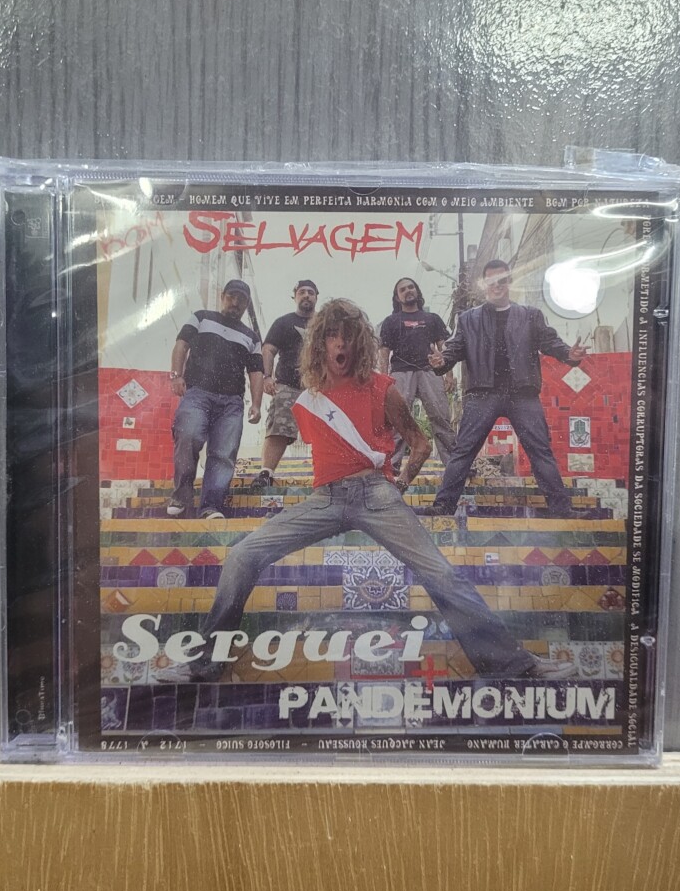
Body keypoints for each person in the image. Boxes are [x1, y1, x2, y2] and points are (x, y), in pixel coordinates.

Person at [156, 299, 576, 681]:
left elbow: (420, 443)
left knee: (442, 574)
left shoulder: (382, 386)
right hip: (325, 499)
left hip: (376, 496)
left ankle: (512, 665)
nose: (339, 344)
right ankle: (205, 664)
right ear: (319, 344)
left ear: (358, 343)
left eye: (347, 337)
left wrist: (399, 483)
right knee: (242, 555)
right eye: (331, 336)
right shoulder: (310, 397)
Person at [426, 259, 589, 517]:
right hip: (482, 393)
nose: (497, 285)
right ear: (484, 284)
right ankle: (443, 506)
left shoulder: (531, 315)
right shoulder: (468, 319)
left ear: (509, 281)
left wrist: (570, 354)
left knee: (541, 451)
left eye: (502, 280)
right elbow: (454, 349)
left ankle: (562, 510)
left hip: (522, 393)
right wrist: (441, 361)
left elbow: (550, 342)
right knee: (463, 450)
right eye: (491, 281)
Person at [166, 279, 263, 519]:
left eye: (241, 300)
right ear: (222, 297)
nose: (235, 302)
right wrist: (176, 376)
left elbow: (256, 372)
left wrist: (257, 404)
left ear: (247, 304)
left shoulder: (251, 337)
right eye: (231, 296)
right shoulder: (201, 317)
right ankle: (181, 495)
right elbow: (181, 344)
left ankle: (211, 506)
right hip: (197, 393)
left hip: (232, 403)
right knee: (188, 436)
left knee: (224, 454)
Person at [379, 277, 456, 469]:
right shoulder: (391, 321)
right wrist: (383, 380)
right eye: (402, 289)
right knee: (398, 419)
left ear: (417, 291)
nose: (408, 291)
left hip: (430, 372)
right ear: (397, 297)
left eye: (411, 287)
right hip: (400, 374)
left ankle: (454, 464)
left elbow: (443, 347)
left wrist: (448, 374)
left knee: (440, 417)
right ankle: (392, 465)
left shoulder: (432, 319)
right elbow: (384, 351)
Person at [251, 279, 318, 488]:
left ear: (316, 297)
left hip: (320, 388)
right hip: (288, 385)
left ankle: (327, 475)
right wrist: (267, 377)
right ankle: (266, 473)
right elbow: (268, 350)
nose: (306, 295)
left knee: (326, 431)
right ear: (295, 296)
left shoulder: (325, 323)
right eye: (302, 292)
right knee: (278, 428)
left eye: (310, 292)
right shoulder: (283, 322)